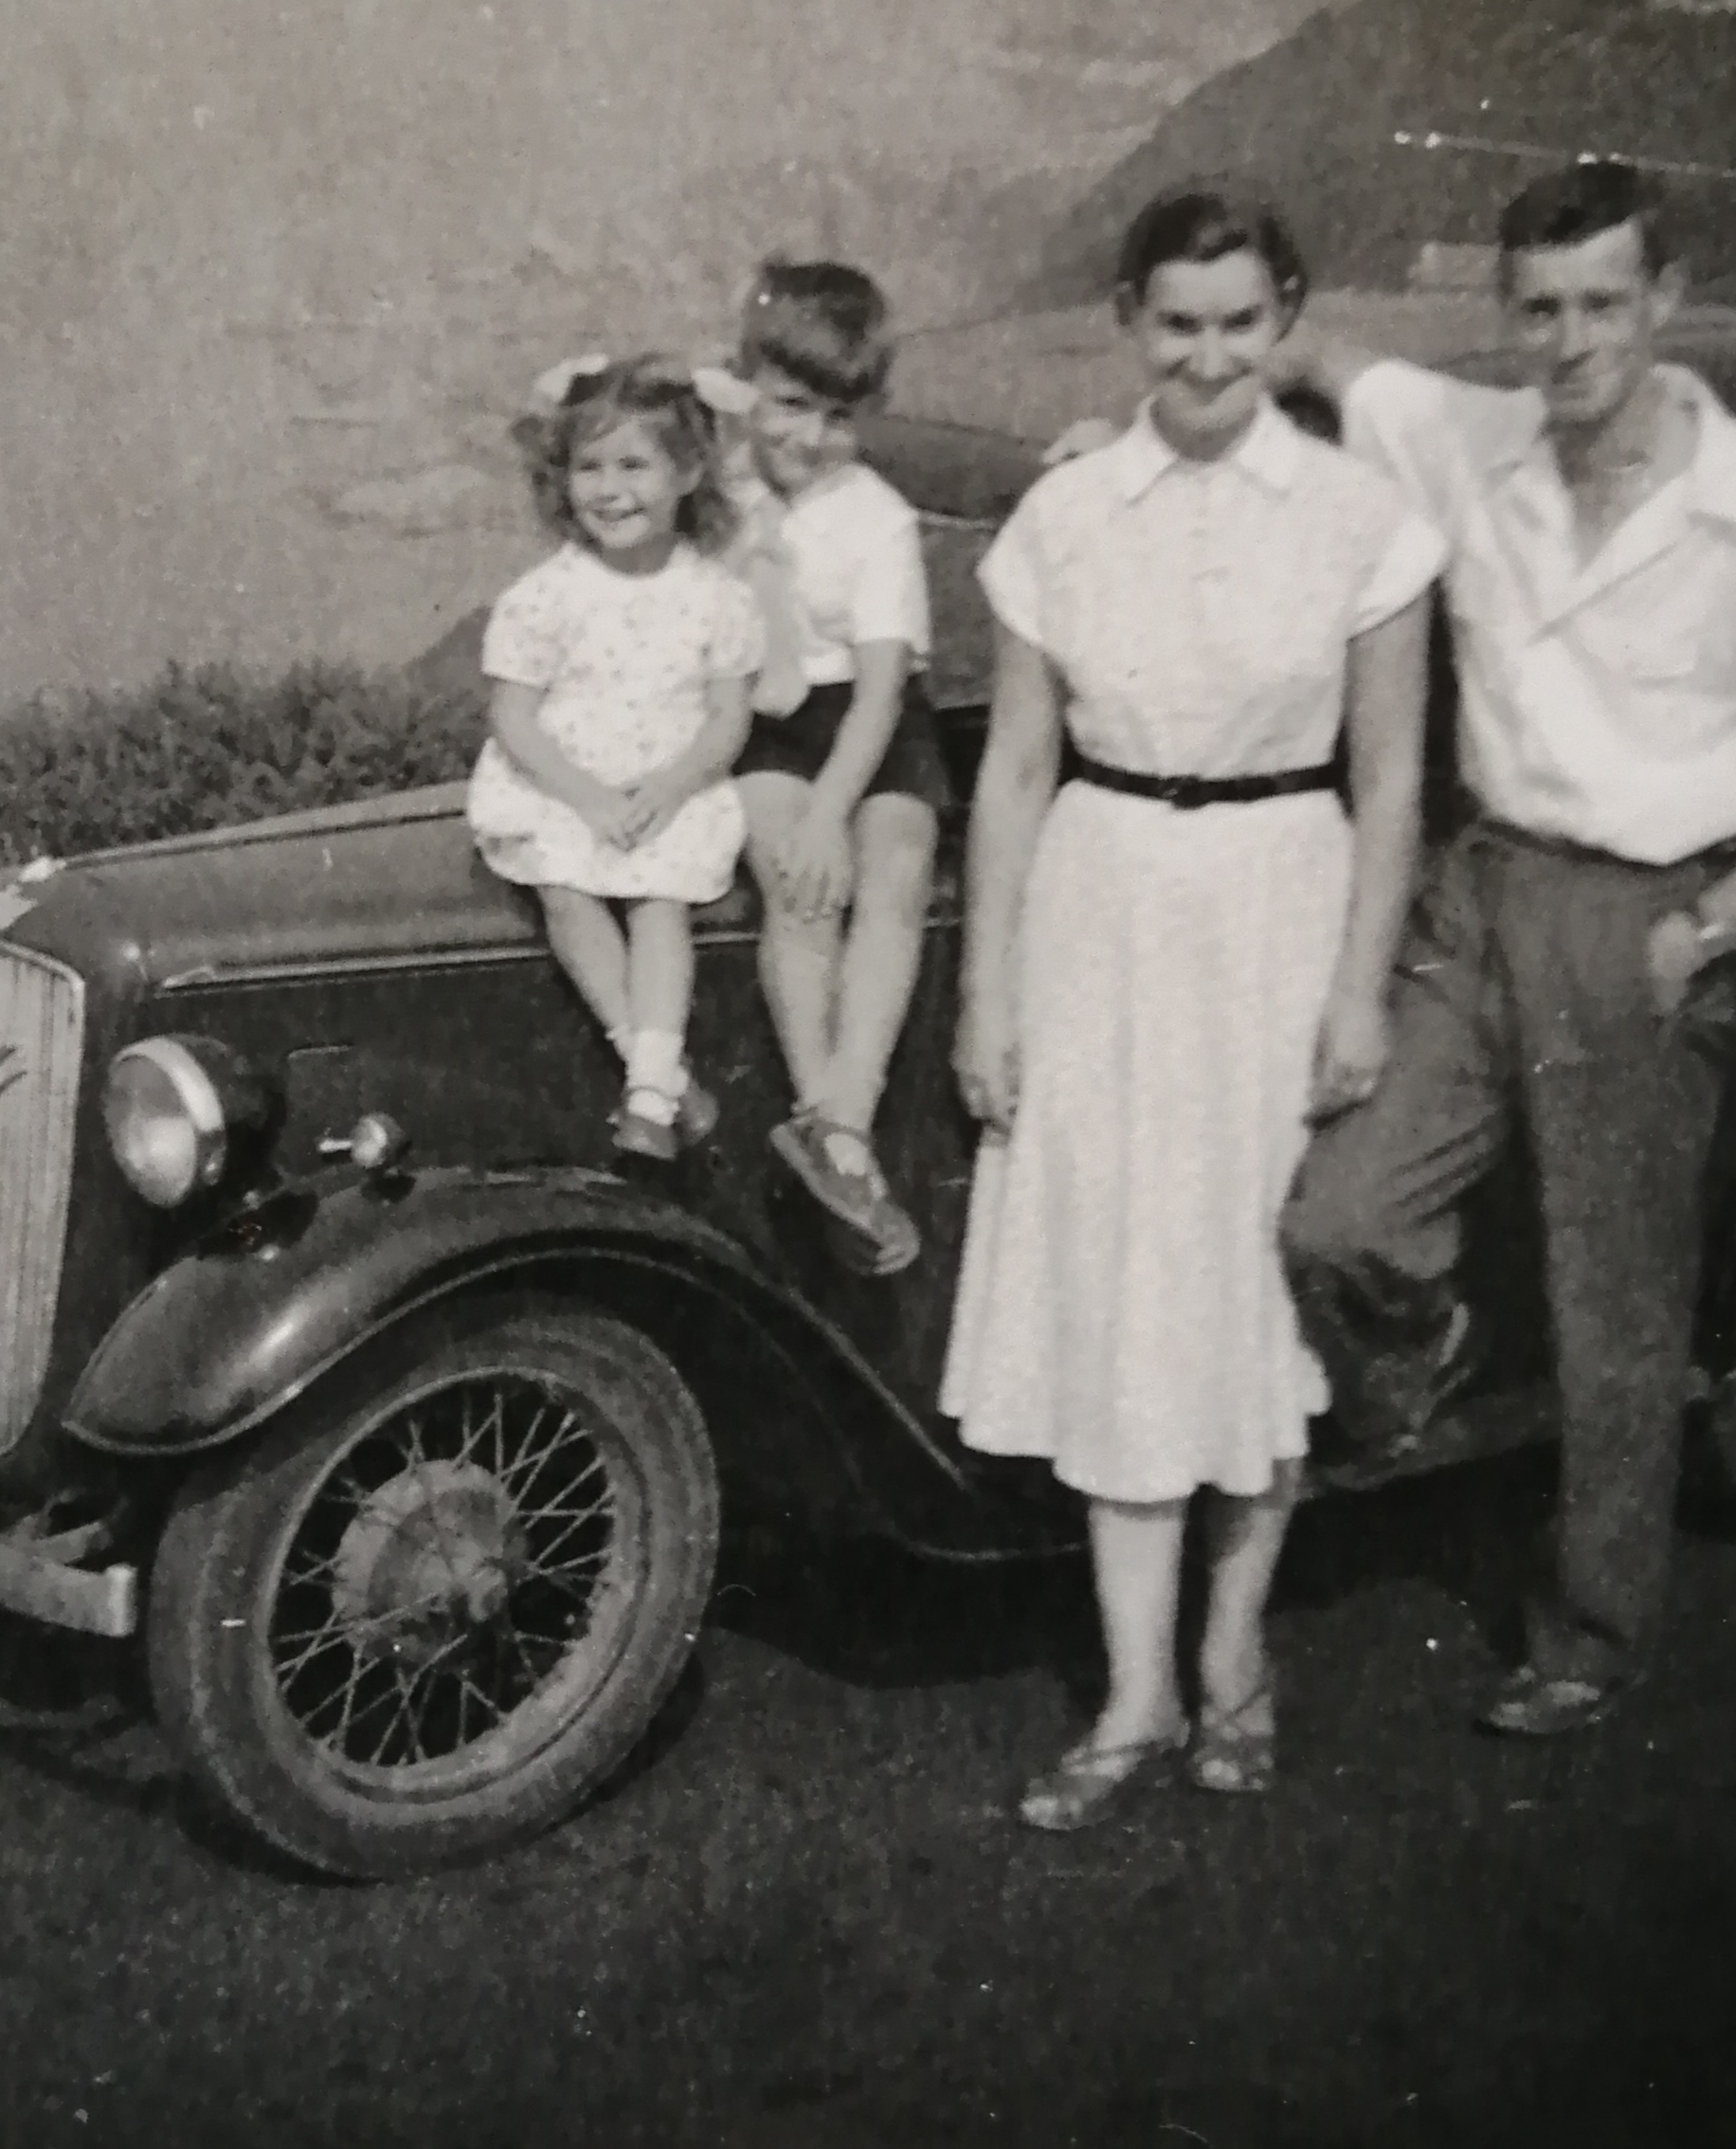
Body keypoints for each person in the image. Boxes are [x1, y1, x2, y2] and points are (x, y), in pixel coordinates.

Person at [1248, 159, 1736, 1739]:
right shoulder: (1475, 441)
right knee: (1334, 1217)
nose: (1569, 339)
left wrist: (1710, 929)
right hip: (1480, 893)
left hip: (1649, 912)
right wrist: (1132, 428)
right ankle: (1422, 1364)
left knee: (1619, 1304)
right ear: (1510, 316)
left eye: (1603, 301)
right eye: (1538, 308)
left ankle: (1592, 1636)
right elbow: (1320, 359)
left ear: (1664, 302)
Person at [944, 185, 1445, 1830]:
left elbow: (1388, 779)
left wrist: (1360, 993)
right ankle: (1135, 1693)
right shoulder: (1068, 515)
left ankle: (1234, 1656)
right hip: (1101, 911)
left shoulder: (1364, 520)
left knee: (1248, 1298)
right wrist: (985, 993)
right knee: (1123, 1296)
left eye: (1242, 323)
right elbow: (1015, 769)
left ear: (1286, 317)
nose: (1210, 355)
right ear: (1130, 320)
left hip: (1280, 913)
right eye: (1180, 323)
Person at [465, 353, 767, 1160]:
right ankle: (657, 1072)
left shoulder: (716, 596)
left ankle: (648, 1085)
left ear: (689, 471)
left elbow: (727, 718)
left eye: (633, 465)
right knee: (564, 888)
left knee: (659, 899)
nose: (609, 489)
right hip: (563, 784)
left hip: (668, 785)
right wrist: (589, 797)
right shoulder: (545, 595)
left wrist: (671, 787)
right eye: (587, 467)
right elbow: (514, 716)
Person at [716, 259, 952, 1276]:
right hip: (769, 721)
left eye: (837, 416)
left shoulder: (877, 521)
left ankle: (840, 1119)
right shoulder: (716, 493)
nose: (809, 438)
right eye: (788, 405)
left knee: (890, 873)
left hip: (870, 720)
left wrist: (835, 812)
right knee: (797, 888)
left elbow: (880, 690)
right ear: (747, 384)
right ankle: (828, 1127)